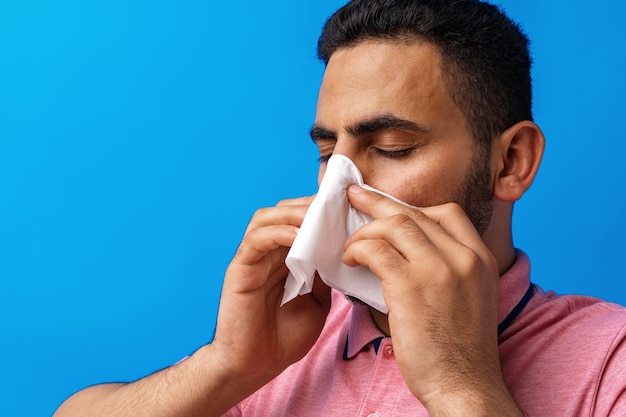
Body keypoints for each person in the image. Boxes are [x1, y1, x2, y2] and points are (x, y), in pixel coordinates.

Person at [54, 0, 626, 416]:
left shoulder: (610, 360)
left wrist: (461, 387)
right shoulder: (285, 346)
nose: (338, 186)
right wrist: (228, 365)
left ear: (511, 163)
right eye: (329, 152)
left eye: (391, 148)